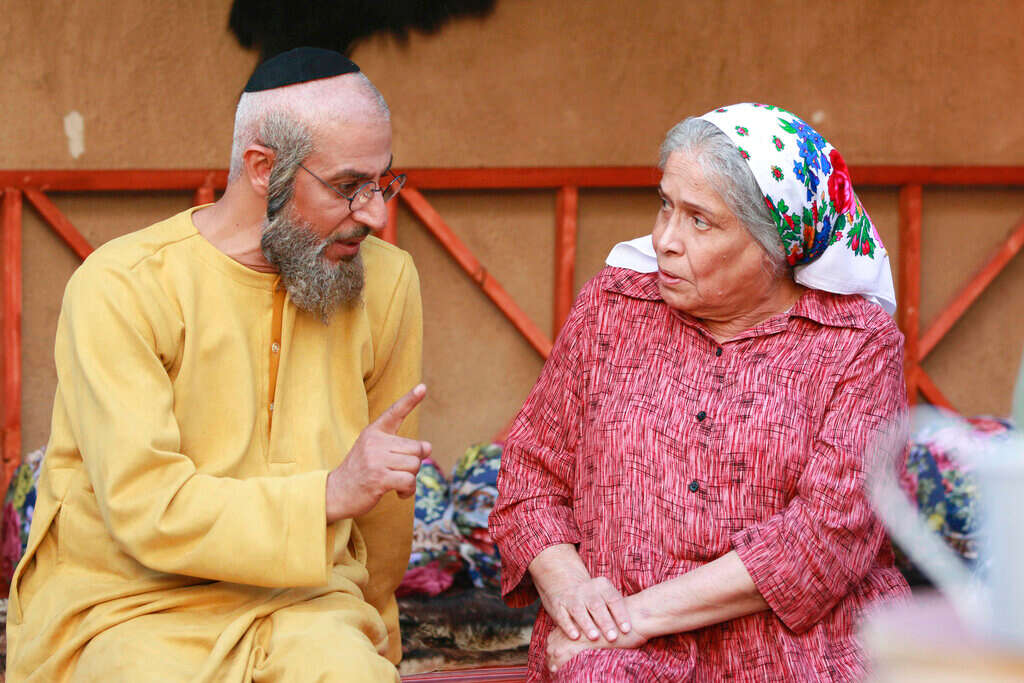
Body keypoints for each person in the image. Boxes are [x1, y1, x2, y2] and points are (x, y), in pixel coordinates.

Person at [7, 48, 428, 682]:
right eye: (348, 187)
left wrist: (377, 645)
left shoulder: (387, 282)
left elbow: (386, 508)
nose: (375, 213)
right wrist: (327, 494)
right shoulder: (122, 285)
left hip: (308, 603)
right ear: (263, 168)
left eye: (383, 181)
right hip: (128, 605)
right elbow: (145, 507)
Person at [489, 102, 910, 681]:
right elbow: (531, 475)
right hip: (615, 658)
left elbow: (829, 536)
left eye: (700, 221)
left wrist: (631, 618)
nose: (665, 239)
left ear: (775, 247)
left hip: (801, 656)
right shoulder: (612, 307)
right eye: (665, 205)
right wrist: (573, 597)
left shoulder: (857, 344)